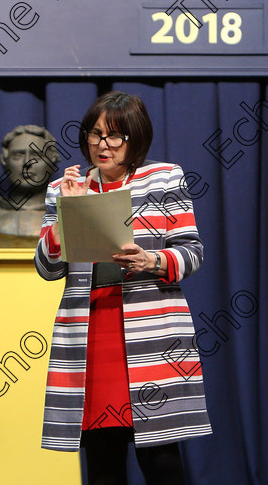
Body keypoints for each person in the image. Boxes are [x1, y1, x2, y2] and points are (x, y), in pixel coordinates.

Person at [34, 91, 212, 485]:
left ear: (136, 138)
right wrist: (69, 212)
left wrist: (152, 260)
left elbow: (192, 252)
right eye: (95, 135)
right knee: (103, 463)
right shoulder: (65, 187)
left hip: (153, 333)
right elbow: (46, 268)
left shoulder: (164, 177)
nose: (102, 145)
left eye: (115, 137)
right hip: (91, 334)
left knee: (162, 460)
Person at [0, 124, 61, 247]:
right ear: (4, 161)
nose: (27, 162)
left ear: (52, 162)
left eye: (36, 156)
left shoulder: (63, 221)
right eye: (18, 155)